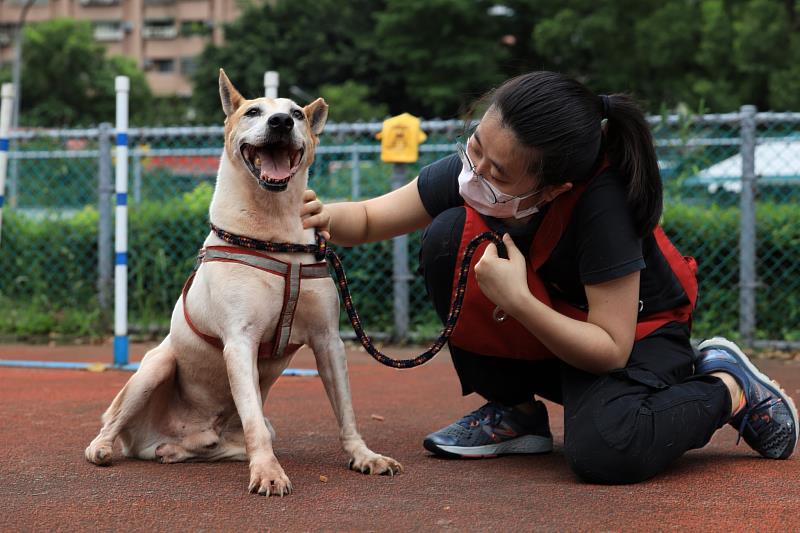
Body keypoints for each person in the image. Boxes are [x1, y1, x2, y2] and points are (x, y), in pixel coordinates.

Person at [300, 71, 798, 484]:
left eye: (497, 173)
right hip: (553, 324)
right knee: (448, 237)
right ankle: (515, 412)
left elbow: (609, 347)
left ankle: (728, 385)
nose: (475, 173)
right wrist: (318, 215)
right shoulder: (482, 162)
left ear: (553, 189)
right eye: (474, 149)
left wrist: (519, 302)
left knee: (606, 452)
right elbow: (367, 218)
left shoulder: (604, 206)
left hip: (635, 338)